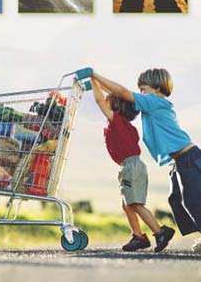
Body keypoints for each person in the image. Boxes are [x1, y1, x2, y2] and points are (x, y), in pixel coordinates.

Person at [77, 67, 201, 253]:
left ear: (158, 87)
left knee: (193, 201)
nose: (140, 94)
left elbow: (122, 93)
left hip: (189, 157)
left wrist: (95, 75)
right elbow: (119, 96)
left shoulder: (154, 101)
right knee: (180, 201)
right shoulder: (151, 104)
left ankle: (159, 233)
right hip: (181, 161)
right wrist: (96, 84)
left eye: (143, 89)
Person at [91, 78, 175, 252]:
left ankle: (160, 232)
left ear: (116, 106)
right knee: (127, 204)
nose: (105, 102)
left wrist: (93, 80)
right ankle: (138, 237)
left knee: (135, 204)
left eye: (109, 101)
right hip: (131, 166)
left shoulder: (117, 121)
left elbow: (99, 100)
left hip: (131, 166)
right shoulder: (125, 125)